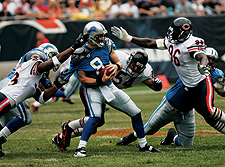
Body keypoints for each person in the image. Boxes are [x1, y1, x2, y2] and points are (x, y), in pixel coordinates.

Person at [52, 21, 159, 157]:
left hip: (109, 86)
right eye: (99, 36)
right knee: (95, 118)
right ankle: (80, 149)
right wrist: (99, 80)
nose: (103, 39)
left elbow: (117, 60)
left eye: (103, 36)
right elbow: (83, 79)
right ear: (90, 37)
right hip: (91, 89)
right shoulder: (79, 53)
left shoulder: (107, 44)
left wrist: (116, 67)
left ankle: (143, 145)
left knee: (135, 112)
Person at [111, 17, 225, 144]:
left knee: (208, 112)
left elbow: (201, 56)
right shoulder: (172, 42)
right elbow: (150, 43)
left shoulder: (192, 43)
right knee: (151, 127)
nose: (172, 35)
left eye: (176, 33)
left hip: (200, 83)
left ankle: (173, 137)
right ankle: (130, 139)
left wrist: (203, 65)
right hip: (183, 88)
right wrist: (129, 38)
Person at [0, 35, 88, 156]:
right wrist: (73, 47)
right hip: (6, 93)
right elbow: (46, 64)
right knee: (23, 117)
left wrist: (57, 85)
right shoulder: (36, 56)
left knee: (9, 120)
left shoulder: (35, 78)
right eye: (52, 57)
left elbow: (41, 98)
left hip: (8, 95)